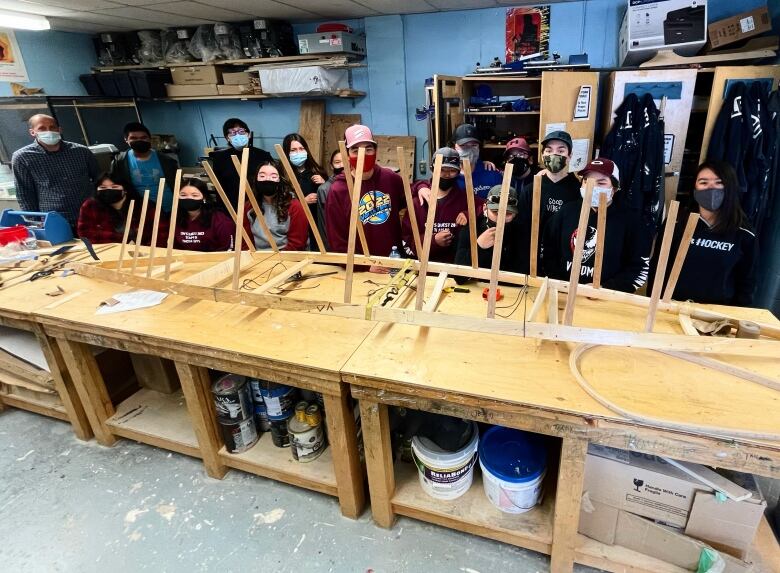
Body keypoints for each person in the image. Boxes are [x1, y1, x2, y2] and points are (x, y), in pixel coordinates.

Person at [648, 161, 758, 306]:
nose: (711, 188)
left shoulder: (744, 233)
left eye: (719, 182)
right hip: (672, 306)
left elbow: (747, 282)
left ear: (730, 187)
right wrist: (654, 301)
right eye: (703, 182)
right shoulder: (675, 224)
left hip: (717, 314)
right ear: (694, 188)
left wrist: (736, 317)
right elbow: (657, 267)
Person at [541, 158, 650, 293]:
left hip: (607, 300)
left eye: (601, 182)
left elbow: (638, 269)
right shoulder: (565, 213)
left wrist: (605, 289)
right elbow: (547, 252)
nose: (591, 187)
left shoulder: (630, 221)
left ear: (614, 188)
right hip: (563, 294)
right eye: (587, 181)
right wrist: (560, 284)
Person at [325, 124, 406, 264]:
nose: (362, 155)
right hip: (360, 269)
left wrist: (421, 187)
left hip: (394, 261)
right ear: (347, 153)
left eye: (368, 149)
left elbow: (412, 202)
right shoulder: (338, 190)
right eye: (355, 150)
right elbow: (337, 240)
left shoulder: (391, 179)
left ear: (375, 151)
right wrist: (364, 266)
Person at [12, 114, 99, 231]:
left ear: (59, 129)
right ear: (32, 132)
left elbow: (99, 179)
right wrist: (35, 224)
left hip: (89, 215)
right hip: (54, 221)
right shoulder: (22, 157)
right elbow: (24, 194)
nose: (49, 131)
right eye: (42, 128)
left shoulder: (81, 151)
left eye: (52, 127)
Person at [402, 147, 484, 263]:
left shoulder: (465, 199)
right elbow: (407, 243)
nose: (446, 175)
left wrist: (470, 213)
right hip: (426, 271)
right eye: (442, 170)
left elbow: (488, 206)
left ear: (458, 171)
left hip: (455, 272)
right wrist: (433, 241)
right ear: (432, 169)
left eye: (452, 170)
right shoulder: (417, 203)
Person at [518, 130, 582, 262]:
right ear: (542, 155)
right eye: (549, 150)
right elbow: (522, 228)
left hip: (565, 260)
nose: (554, 155)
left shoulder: (578, 190)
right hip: (533, 260)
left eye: (561, 151)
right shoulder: (531, 189)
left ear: (570, 156)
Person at [454, 184, 529, 281]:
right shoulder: (472, 229)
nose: (500, 218)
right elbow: (459, 277)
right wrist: (479, 247)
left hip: (510, 290)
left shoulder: (521, 233)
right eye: (495, 212)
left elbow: (522, 275)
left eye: (507, 214)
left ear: (515, 214)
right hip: (478, 290)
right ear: (485, 208)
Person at [109, 122, 178, 213]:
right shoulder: (120, 162)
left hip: (169, 209)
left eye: (143, 138)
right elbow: (115, 187)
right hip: (139, 212)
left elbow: (178, 185)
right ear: (126, 140)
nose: (139, 141)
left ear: (149, 139)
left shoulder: (167, 161)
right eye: (134, 138)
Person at [243, 160, 309, 251]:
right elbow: (245, 241)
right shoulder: (249, 206)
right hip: (257, 259)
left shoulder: (294, 206)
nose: (267, 179)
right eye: (262, 176)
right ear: (256, 179)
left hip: (286, 259)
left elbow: (297, 243)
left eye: (273, 176)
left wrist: (277, 262)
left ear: (280, 180)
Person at [208, 117, 272, 210]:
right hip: (232, 207)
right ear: (227, 138)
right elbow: (219, 188)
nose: (237, 135)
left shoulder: (263, 156)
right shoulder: (220, 159)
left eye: (241, 131)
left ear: (248, 134)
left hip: (259, 206)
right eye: (232, 133)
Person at [282, 133, 327, 250]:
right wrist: (302, 202)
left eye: (301, 149)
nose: (298, 152)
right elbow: (279, 202)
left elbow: (330, 200)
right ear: (287, 153)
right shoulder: (283, 175)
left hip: (316, 224)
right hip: (293, 224)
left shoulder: (317, 171)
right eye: (293, 150)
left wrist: (325, 185)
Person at [77, 174, 150, 245]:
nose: (109, 190)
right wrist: (124, 240)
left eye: (114, 186)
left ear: (125, 189)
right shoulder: (90, 206)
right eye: (103, 187)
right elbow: (85, 233)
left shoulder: (144, 206)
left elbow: (157, 233)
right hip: (109, 253)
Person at [166, 178, 236, 251]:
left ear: (204, 198)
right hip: (184, 260)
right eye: (183, 195)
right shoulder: (175, 218)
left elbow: (227, 249)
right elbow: (173, 247)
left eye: (195, 195)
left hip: (214, 260)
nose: (189, 198)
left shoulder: (221, 220)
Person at [452, 123, 502, 199]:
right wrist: (426, 187)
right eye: (463, 145)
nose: (469, 150)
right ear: (454, 147)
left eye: (474, 145)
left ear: (479, 147)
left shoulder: (492, 173)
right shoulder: (448, 175)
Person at [316, 150, 344, 251]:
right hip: (334, 246)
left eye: (345, 161)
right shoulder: (324, 189)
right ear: (331, 166)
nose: (342, 165)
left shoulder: (358, 185)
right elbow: (323, 224)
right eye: (337, 162)